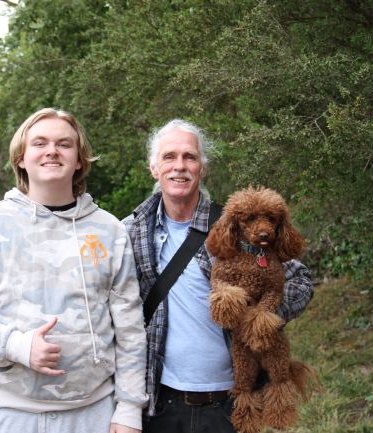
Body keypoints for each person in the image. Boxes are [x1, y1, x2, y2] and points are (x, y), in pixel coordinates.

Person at [0, 108, 148, 433]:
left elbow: (129, 327)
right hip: (9, 413)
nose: (52, 151)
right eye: (39, 143)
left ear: (79, 159)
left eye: (64, 144)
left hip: (92, 413)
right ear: (21, 159)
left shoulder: (109, 230)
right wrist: (18, 346)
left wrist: (129, 408)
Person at [122, 119, 314, 433]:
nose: (179, 166)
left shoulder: (235, 226)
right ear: (154, 168)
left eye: (190, 157)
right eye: (169, 157)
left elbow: (301, 280)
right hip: (159, 403)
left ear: (203, 168)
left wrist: (262, 317)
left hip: (228, 402)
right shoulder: (130, 232)